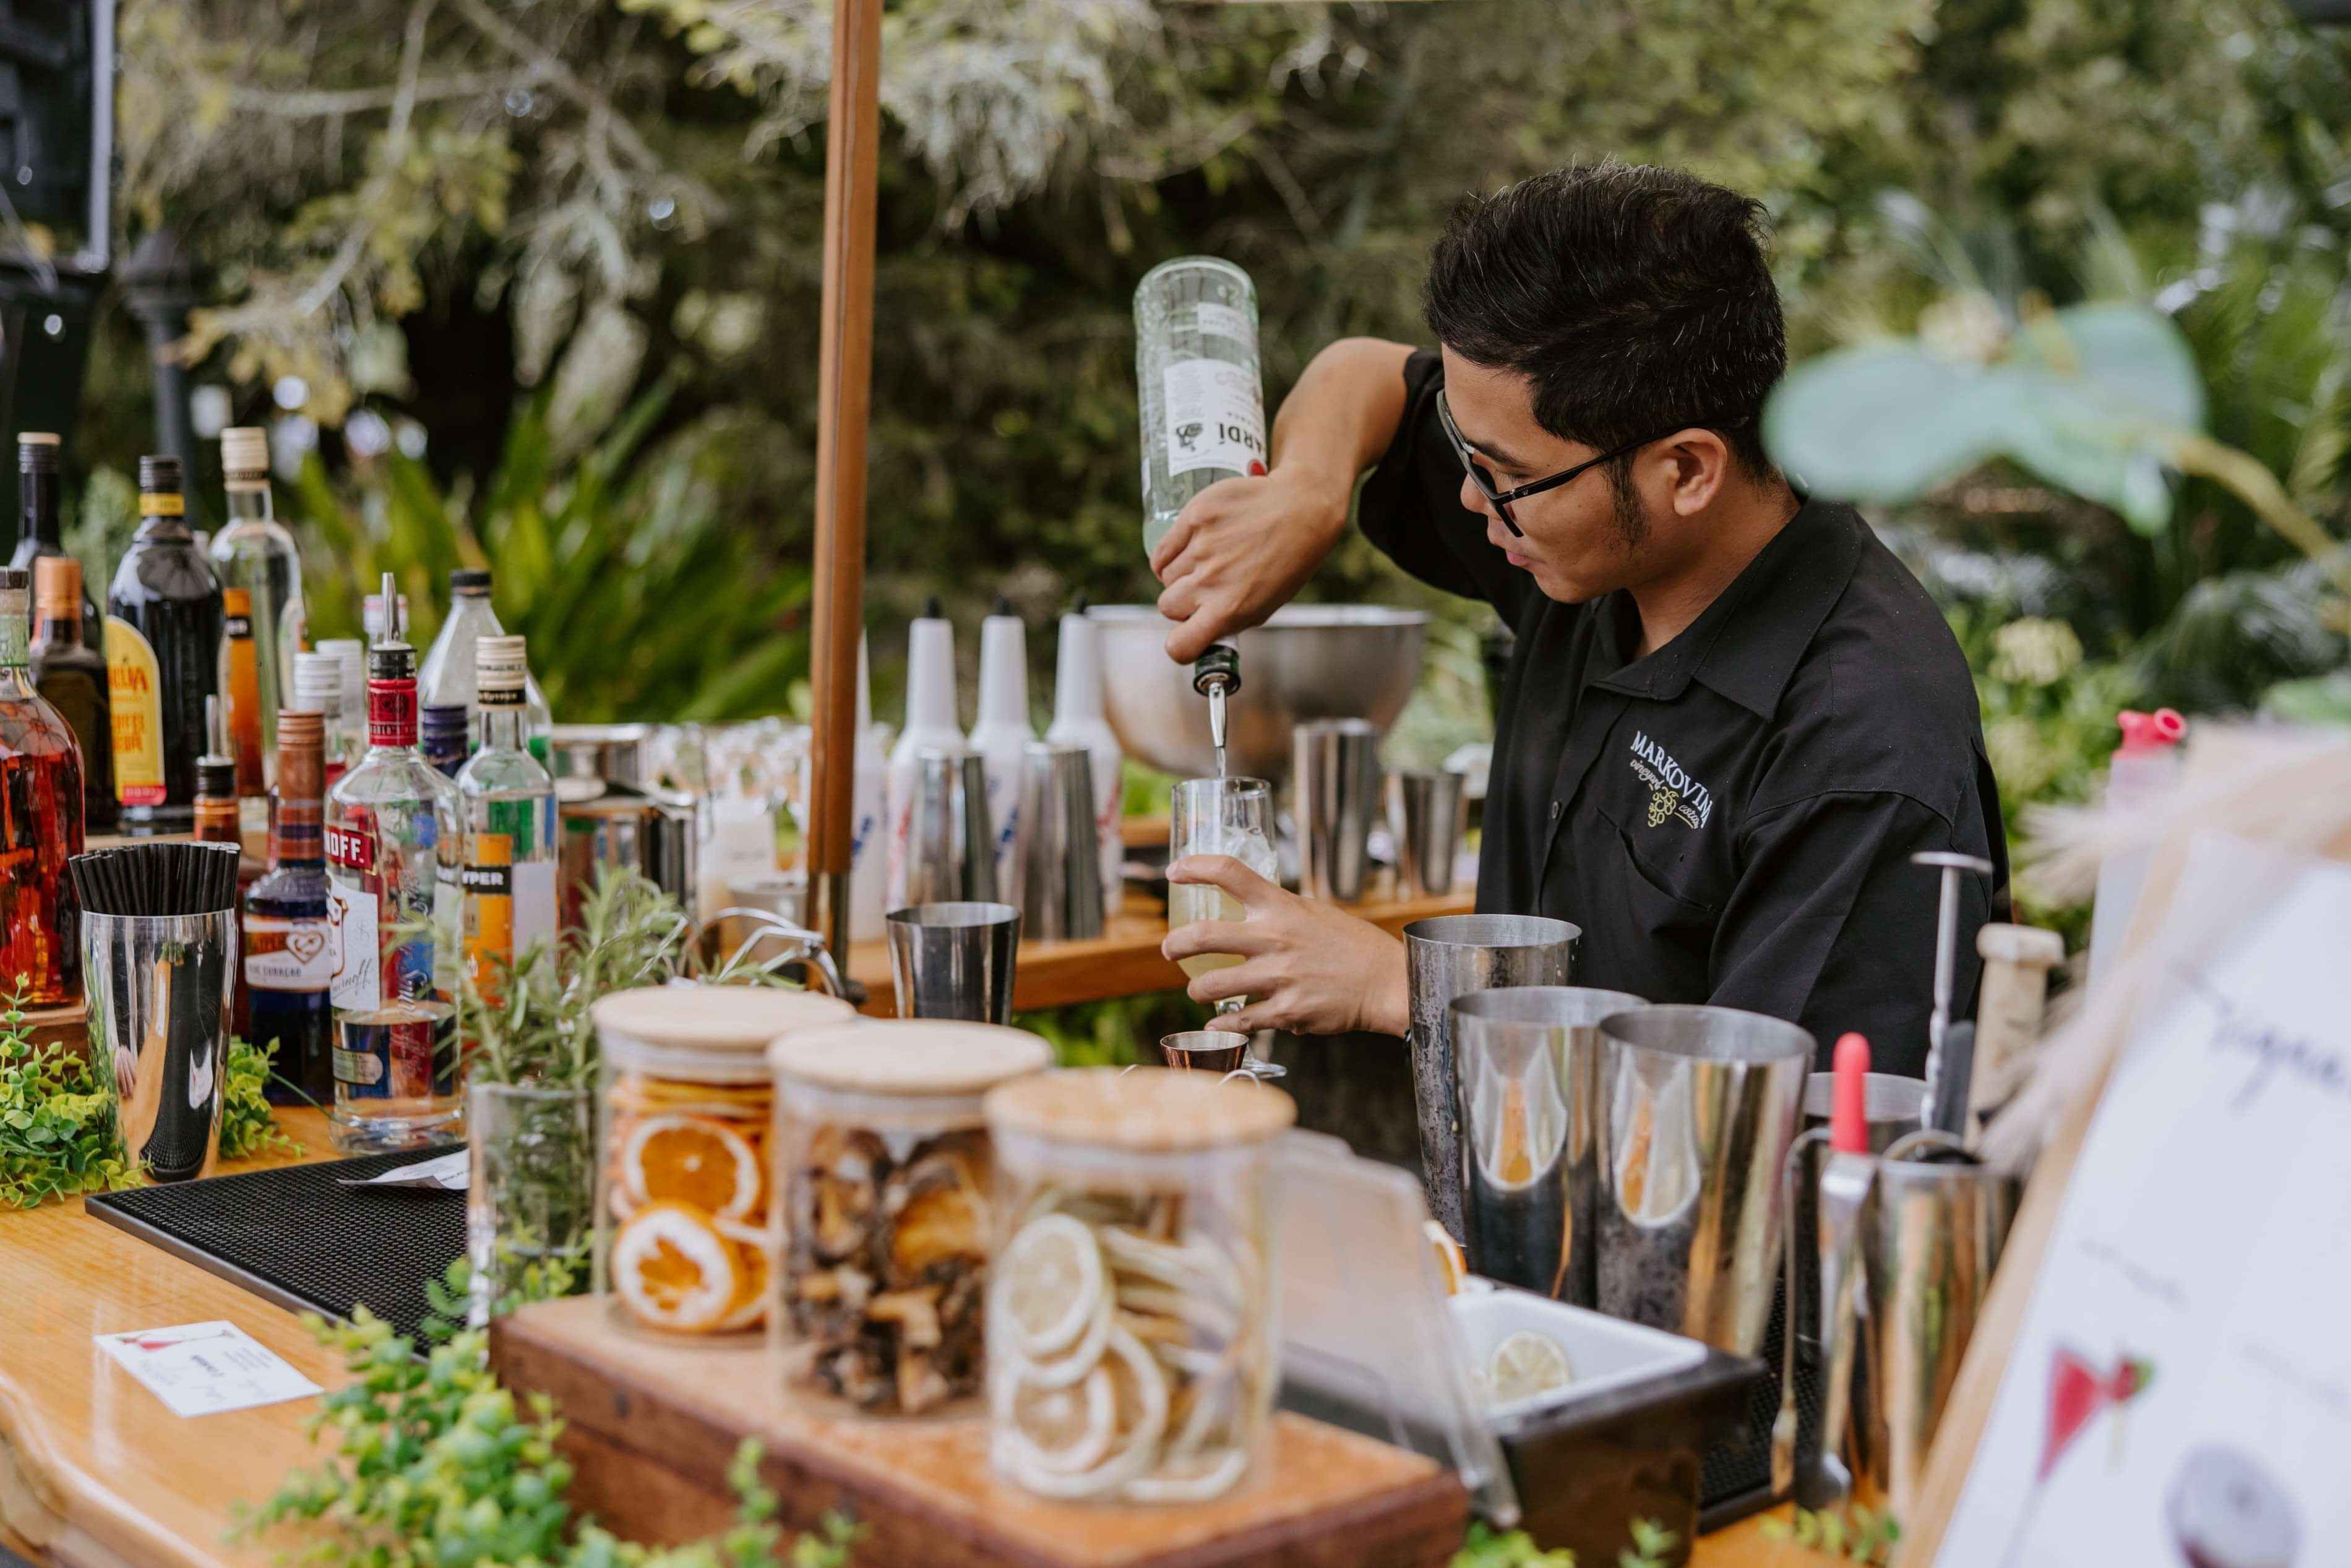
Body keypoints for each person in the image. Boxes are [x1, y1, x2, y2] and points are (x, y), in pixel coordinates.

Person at [1153, 163, 2006, 1074]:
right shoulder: (1583, 540)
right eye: (1462, 449)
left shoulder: (1860, 745)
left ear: (1686, 470)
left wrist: (1400, 985)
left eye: (1503, 474)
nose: (1474, 500)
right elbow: (1364, 375)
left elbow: (1768, 1131)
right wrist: (1308, 490)